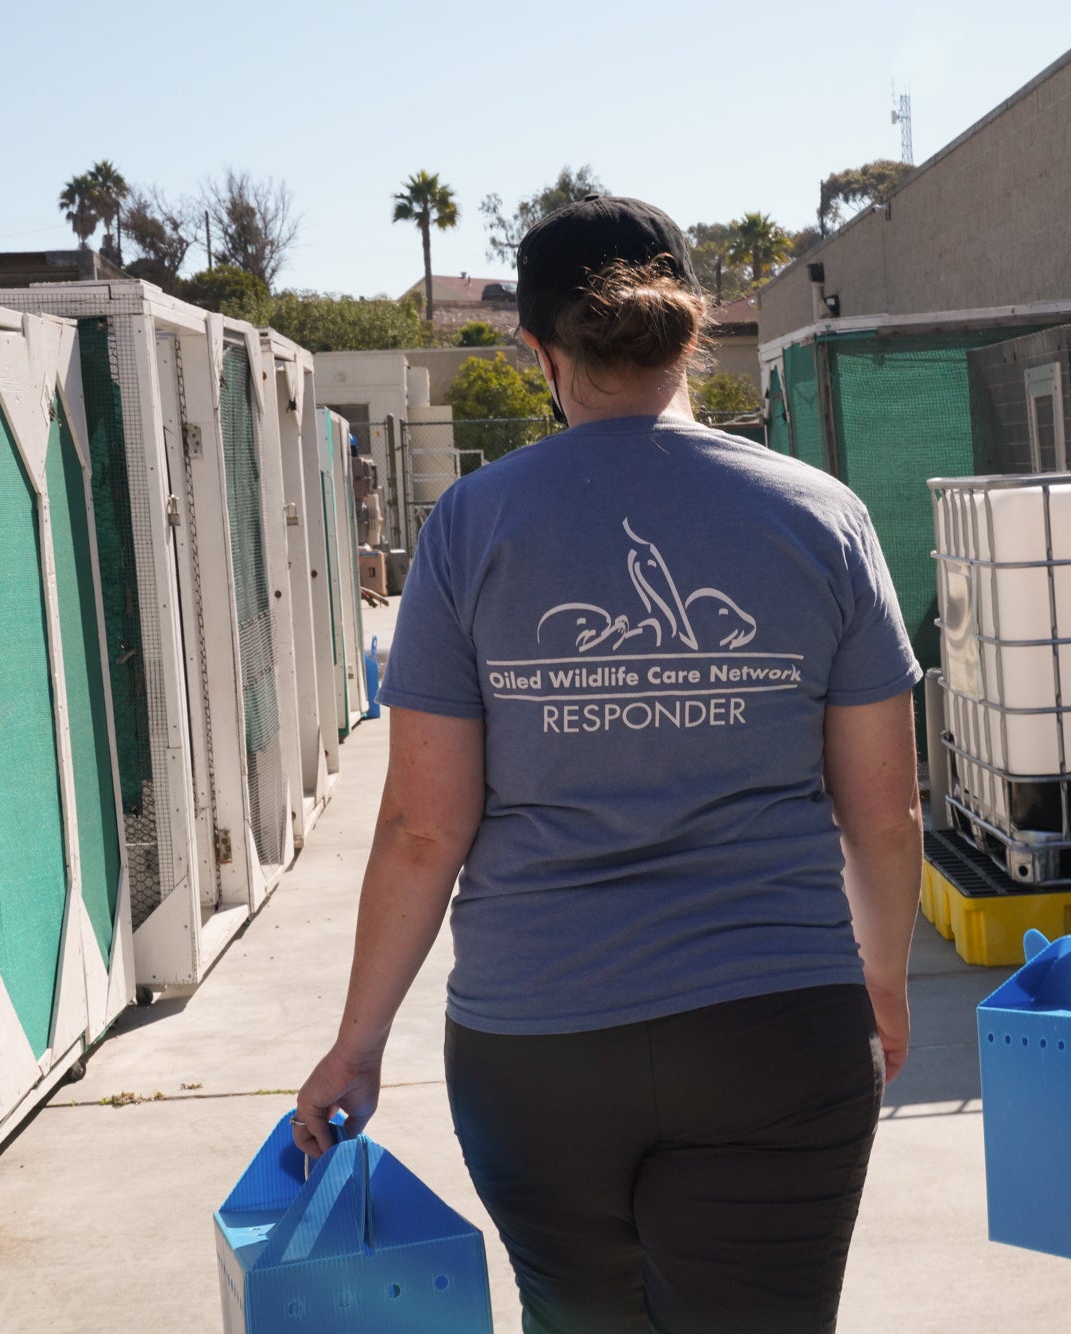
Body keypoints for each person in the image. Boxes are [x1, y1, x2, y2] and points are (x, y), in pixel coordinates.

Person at [294, 195, 923, 1334]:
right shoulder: (820, 515)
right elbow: (883, 816)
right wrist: (879, 979)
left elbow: (424, 827)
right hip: (776, 1026)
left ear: (535, 348)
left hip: (536, 1047)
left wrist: (358, 1041)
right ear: (689, 334)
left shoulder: (471, 525)